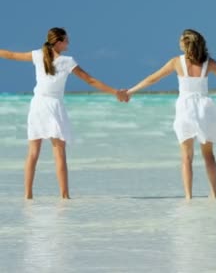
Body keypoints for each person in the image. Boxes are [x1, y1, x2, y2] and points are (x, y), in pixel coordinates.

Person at [127, 29, 216, 199]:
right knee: (208, 155)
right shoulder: (208, 63)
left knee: (186, 157)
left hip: (185, 109)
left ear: (185, 44)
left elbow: (153, 79)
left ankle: (188, 196)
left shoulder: (176, 62)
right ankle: (214, 193)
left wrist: (130, 91)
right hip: (204, 108)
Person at [0, 27, 128, 199]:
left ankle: (27, 195)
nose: (68, 43)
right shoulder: (67, 61)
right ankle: (64, 196)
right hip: (53, 106)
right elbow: (90, 80)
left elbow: (11, 55)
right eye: (66, 40)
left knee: (32, 153)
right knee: (59, 153)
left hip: (37, 105)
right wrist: (115, 92)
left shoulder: (38, 55)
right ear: (58, 42)